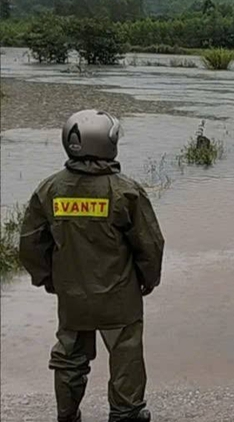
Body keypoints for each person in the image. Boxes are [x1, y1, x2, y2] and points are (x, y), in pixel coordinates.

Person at [19, 110, 165, 422]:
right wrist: (148, 279)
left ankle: (67, 414)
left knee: (69, 357)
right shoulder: (126, 191)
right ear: (106, 144)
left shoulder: (49, 190)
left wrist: (48, 279)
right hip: (119, 296)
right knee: (126, 355)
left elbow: (31, 244)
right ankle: (126, 413)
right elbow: (150, 244)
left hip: (72, 295)